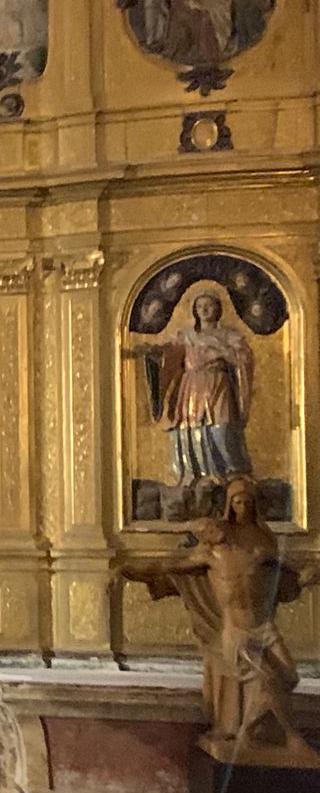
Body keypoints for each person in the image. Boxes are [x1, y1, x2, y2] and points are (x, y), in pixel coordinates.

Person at [121, 475, 317, 769]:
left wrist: (306, 573)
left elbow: (279, 564)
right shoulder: (208, 555)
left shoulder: (260, 540)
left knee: (289, 677)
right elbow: (165, 565)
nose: (242, 507)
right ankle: (291, 738)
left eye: (247, 501)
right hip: (237, 631)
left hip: (264, 627)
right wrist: (129, 569)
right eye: (237, 501)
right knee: (266, 680)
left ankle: (248, 733)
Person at [159, 291, 253, 488]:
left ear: (218, 309)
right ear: (194, 310)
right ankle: (196, 473)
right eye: (200, 306)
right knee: (192, 428)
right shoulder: (186, 335)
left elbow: (242, 358)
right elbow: (168, 355)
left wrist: (220, 351)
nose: (204, 310)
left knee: (222, 427)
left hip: (218, 382)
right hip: (191, 385)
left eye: (209, 305)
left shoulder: (228, 335)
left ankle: (231, 472)